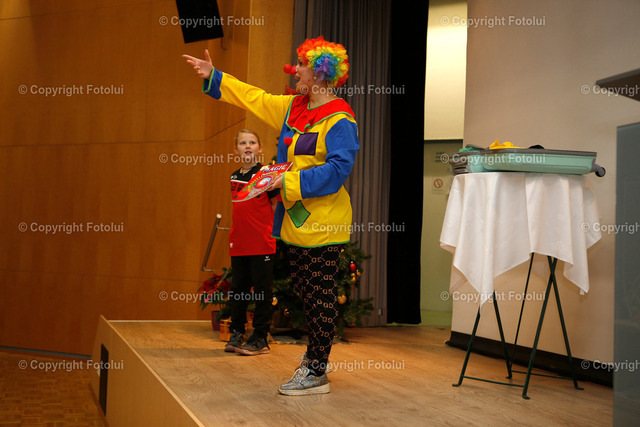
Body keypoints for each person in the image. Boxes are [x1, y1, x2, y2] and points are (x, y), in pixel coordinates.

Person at [183, 36, 359, 395]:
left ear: (320, 72)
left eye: (302, 65)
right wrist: (215, 75)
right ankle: (316, 362)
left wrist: (287, 181)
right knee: (308, 294)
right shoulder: (294, 107)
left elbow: (338, 169)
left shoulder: (340, 119)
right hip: (296, 223)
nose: (295, 70)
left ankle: (316, 371)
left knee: (320, 298)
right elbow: (255, 97)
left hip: (324, 224)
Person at [225, 129, 278, 356]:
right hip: (239, 244)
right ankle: (237, 333)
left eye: (252, 142)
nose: (247, 146)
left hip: (262, 243)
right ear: (236, 149)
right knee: (238, 291)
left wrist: (271, 233)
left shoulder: (266, 174)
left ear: (260, 148)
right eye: (243, 143)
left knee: (262, 292)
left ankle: (260, 338)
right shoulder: (233, 176)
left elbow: (274, 206)